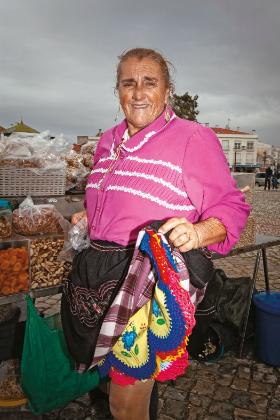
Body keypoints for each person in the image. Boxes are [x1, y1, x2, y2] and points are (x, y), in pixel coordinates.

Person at [62, 48, 249, 420]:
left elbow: (232, 206)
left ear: (167, 91)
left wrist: (197, 232)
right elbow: (114, 195)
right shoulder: (108, 141)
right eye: (128, 83)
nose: (138, 92)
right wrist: (91, 214)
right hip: (98, 276)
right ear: (117, 90)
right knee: (112, 383)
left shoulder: (193, 138)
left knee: (125, 402)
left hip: (149, 283)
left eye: (150, 82)